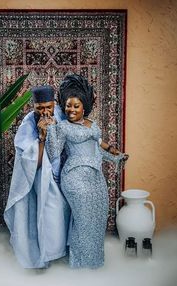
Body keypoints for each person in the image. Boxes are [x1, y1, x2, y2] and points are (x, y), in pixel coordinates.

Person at [44, 74, 128, 268]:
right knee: (83, 220)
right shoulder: (62, 127)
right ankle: (79, 264)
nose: (70, 109)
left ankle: (94, 264)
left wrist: (116, 156)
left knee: (97, 218)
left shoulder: (93, 125)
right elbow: (54, 152)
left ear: (84, 107)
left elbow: (97, 149)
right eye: (68, 105)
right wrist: (50, 131)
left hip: (94, 177)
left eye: (75, 106)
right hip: (74, 177)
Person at [4, 85, 70, 269]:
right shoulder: (28, 123)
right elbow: (34, 163)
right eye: (39, 108)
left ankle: (65, 254)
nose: (45, 111)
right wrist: (41, 137)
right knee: (50, 211)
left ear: (54, 103)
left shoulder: (61, 114)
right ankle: (48, 255)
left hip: (64, 171)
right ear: (33, 106)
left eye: (48, 107)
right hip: (40, 177)